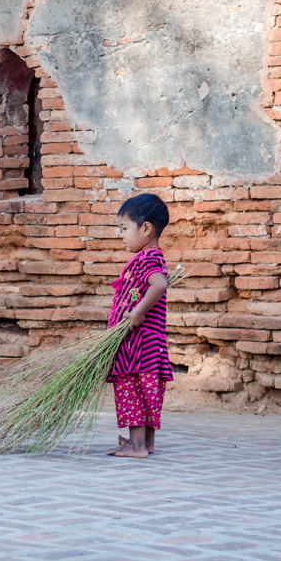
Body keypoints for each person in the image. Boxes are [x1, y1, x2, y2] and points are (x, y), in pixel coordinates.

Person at [106, 193, 172, 459]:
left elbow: (159, 285)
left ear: (146, 229)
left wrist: (136, 314)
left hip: (137, 346)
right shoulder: (152, 257)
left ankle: (136, 447)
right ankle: (147, 443)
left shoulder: (146, 259)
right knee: (147, 393)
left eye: (124, 228)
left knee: (132, 389)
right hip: (149, 346)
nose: (120, 235)